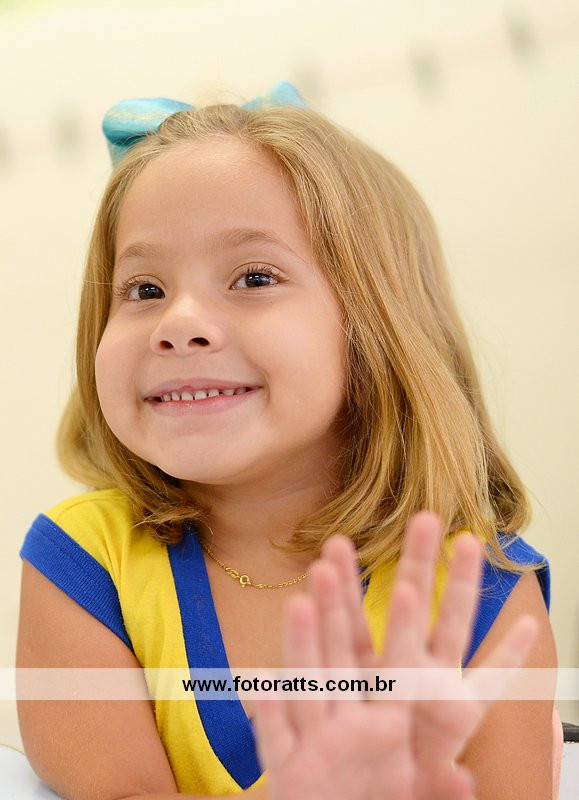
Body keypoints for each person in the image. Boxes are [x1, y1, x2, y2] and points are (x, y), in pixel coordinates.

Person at [16, 82, 556, 800]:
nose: (179, 323)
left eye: (253, 277)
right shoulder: (85, 564)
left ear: (378, 328)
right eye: (144, 289)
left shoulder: (482, 590)